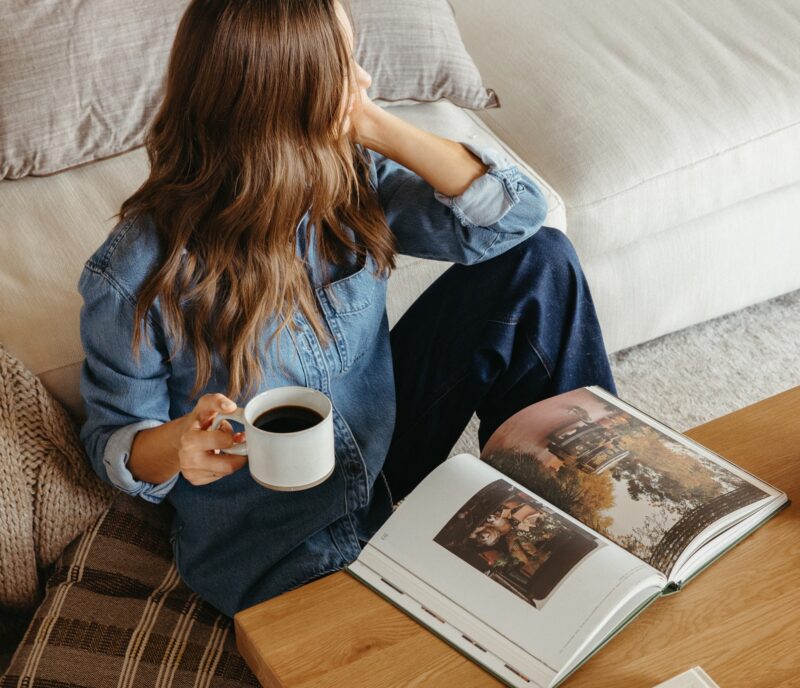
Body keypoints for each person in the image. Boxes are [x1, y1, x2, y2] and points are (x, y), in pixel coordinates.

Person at [77, 0, 617, 618]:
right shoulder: (133, 273)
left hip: (381, 459)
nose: (361, 80)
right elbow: (115, 443)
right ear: (290, 92)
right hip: (279, 535)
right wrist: (178, 445)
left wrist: (373, 123)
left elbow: (516, 216)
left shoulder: (347, 175)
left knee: (540, 261)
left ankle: (597, 507)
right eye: (344, 65)